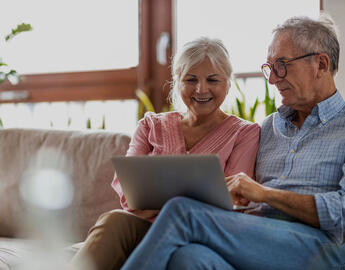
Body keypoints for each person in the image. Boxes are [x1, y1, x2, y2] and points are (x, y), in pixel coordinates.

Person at [120, 14, 345, 270]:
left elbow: (342, 213)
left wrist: (264, 194)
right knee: (188, 259)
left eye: (282, 65)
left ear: (321, 64)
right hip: (254, 236)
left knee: (183, 212)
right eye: (270, 67)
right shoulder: (269, 127)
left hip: (318, 246)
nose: (272, 78)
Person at [67, 37, 260, 270]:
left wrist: (163, 203)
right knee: (114, 219)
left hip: (199, 236)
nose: (201, 89)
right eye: (190, 79)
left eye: (213, 80)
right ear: (177, 82)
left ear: (228, 84)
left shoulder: (244, 133)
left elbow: (233, 199)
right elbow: (129, 192)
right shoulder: (151, 125)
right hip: (147, 228)